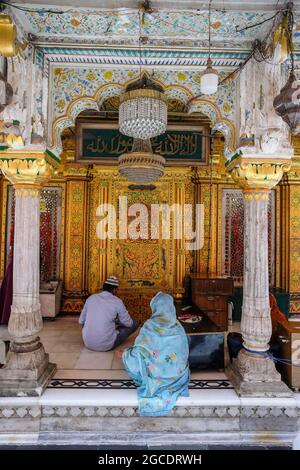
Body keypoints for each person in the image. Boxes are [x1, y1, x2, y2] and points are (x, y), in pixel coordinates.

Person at [122, 292, 190, 417]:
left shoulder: (150, 325)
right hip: (177, 376)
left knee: (129, 357)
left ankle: (154, 377)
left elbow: (140, 349)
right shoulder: (178, 327)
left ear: (155, 308)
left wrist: (127, 354)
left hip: (154, 376)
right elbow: (184, 353)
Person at [79, 276, 138, 352]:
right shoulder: (117, 301)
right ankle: (106, 338)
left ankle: (92, 336)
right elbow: (128, 323)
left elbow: (81, 321)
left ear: (104, 288)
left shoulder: (91, 298)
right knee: (134, 323)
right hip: (107, 346)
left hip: (87, 343)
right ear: (114, 290)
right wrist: (118, 321)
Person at [227, 293, 288, 362]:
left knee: (232, 340)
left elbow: (264, 337)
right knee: (233, 336)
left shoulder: (271, 316)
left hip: (265, 345)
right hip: (264, 342)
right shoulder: (279, 315)